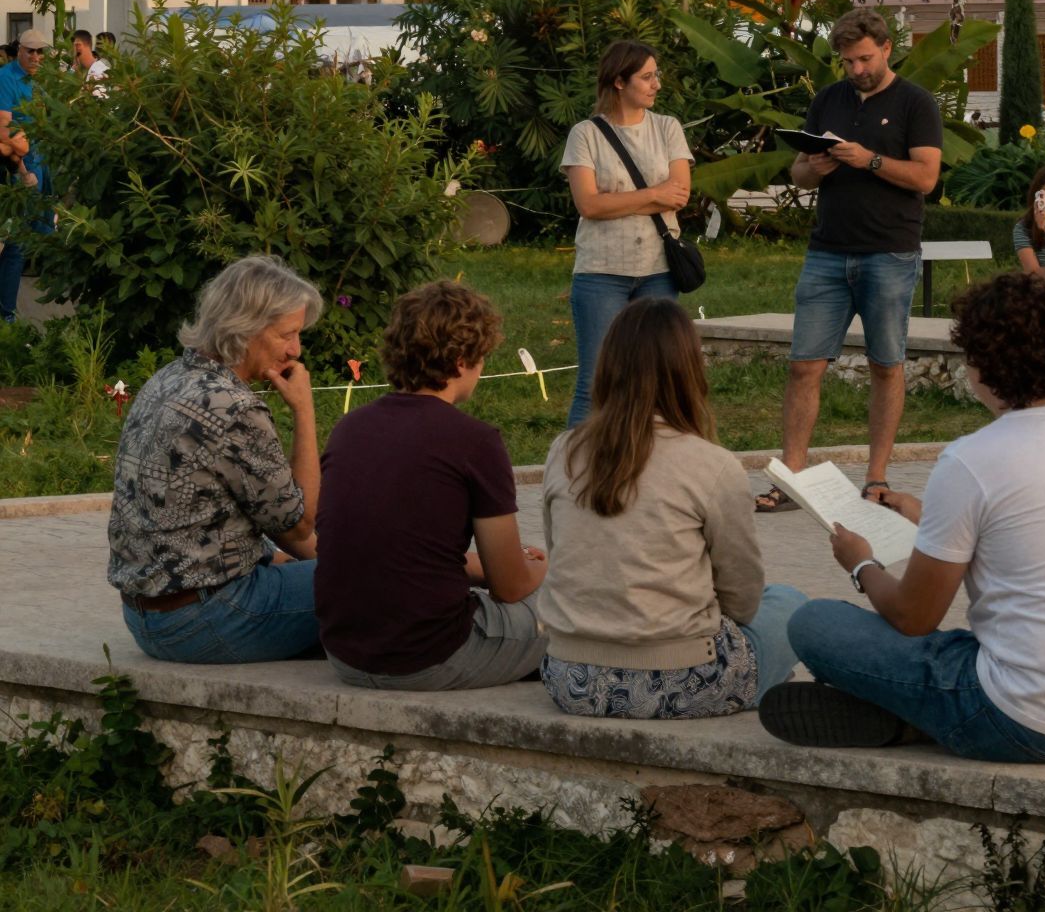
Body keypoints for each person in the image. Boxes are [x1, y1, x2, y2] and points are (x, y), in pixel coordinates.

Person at [758, 273, 1045, 761]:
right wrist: (927, 517)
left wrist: (861, 565)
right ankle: (915, 713)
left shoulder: (972, 459)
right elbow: (1040, 536)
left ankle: (918, 715)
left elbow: (914, 617)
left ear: (980, 362)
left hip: (1027, 721)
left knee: (814, 623)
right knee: (971, 646)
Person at [538, 298, 807, 719]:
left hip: (571, 678)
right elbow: (742, 600)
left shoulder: (563, 450)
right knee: (792, 604)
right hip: (678, 680)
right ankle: (758, 678)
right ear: (688, 370)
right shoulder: (712, 464)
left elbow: (562, 555)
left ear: (607, 365)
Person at [756, 8, 943, 512]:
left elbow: (926, 178)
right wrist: (814, 165)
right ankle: (791, 477)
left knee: (886, 365)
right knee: (803, 366)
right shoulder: (827, 101)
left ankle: (876, 477)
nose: (857, 70)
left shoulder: (915, 103)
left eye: (864, 59)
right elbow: (797, 175)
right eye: (847, 62)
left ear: (886, 48)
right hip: (826, 252)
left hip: (889, 252)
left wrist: (871, 160)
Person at [317, 280, 546, 690]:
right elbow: (511, 587)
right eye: (482, 358)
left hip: (345, 654)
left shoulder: (348, 428)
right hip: (431, 656)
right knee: (567, 607)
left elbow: (391, 546)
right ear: (461, 361)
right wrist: (540, 571)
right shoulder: (475, 440)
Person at [108, 254, 324, 663]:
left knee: (342, 577)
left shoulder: (168, 378)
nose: (296, 349)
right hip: (205, 620)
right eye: (287, 334)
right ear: (248, 328)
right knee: (378, 581)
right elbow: (300, 524)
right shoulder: (233, 406)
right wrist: (304, 410)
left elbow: (262, 522)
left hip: (146, 620)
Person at [559, 39, 693, 426]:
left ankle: (645, 466)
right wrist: (654, 195)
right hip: (600, 273)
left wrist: (617, 200)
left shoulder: (668, 128)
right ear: (619, 82)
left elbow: (680, 195)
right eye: (647, 77)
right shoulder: (585, 134)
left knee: (656, 380)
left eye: (657, 76)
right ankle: (574, 473)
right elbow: (589, 205)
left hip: (658, 272)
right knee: (596, 380)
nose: (657, 85)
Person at [0, 27, 56, 323]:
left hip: (44, 162)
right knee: (17, 243)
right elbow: (3, 130)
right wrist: (22, 172)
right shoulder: (6, 78)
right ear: (18, 50)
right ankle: (7, 317)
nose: (36, 56)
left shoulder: (41, 80)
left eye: (40, 51)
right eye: (30, 51)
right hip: (21, 166)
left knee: (46, 232)